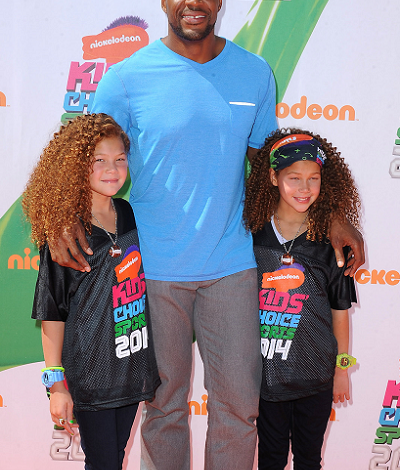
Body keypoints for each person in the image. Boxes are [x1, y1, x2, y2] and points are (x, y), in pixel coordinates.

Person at [47, 1, 365, 469]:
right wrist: (60, 217)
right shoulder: (126, 78)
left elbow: (272, 160)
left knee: (239, 406)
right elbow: (86, 153)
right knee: (164, 408)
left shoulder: (254, 73)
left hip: (232, 266)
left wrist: (331, 213)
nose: (193, 3)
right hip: (152, 270)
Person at [23, 113, 160, 470]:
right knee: (103, 463)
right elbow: (52, 311)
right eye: (99, 160)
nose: (112, 170)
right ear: (76, 166)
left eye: (120, 159)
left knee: (114, 458)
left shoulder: (128, 213)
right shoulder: (67, 232)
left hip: (131, 366)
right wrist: (56, 384)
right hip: (91, 374)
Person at [243, 129, 360, 470]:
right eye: (294, 178)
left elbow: (340, 312)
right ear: (273, 178)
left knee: (309, 459)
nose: (304, 188)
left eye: (313, 178)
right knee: (271, 459)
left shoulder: (332, 243)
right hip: (267, 379)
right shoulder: (251, 235)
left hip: (316, 378)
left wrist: (341, 369)